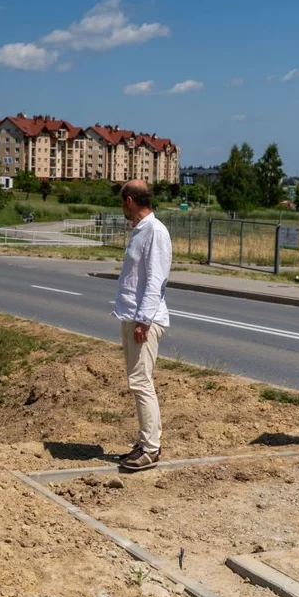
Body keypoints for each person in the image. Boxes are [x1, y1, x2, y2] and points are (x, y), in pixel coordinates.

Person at [113, 179, 172, 471]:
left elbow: (155, 280)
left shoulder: (155, 232)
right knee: (139, 383)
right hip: (132, 316)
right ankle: (146, 441)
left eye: (122, 202)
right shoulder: (141, 230)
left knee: (141, 383)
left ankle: (151, 448)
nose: (122, 207)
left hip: (143, 320)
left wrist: (143, 320)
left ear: (130, 201)